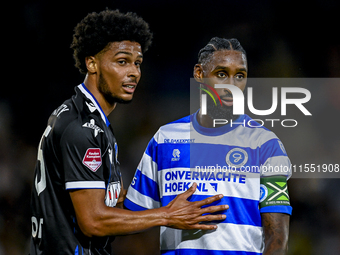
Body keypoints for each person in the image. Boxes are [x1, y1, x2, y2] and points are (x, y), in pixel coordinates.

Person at [29, 11, 228, 255]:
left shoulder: (85, 118)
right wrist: (167, 214)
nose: (134, 72)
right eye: (122, 61)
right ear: (91, 63)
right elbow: (93, 221)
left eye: (137, 63)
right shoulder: (82, 128)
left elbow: (85, 203)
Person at [124, 37, 292, 254]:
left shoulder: (266, 144)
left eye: (240, 76)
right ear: (199, 74)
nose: (232, 86)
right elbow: (133, 216)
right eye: (222, 74)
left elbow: (278, 238)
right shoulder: (165, 138)